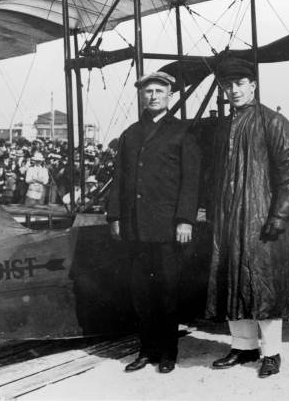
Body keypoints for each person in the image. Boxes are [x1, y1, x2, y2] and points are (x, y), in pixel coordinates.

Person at [206, 55, 289, 378]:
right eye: (228, 85)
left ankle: (272, 353)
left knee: (264, 286)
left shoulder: (273, 122)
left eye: (239, 84)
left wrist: (279, 216)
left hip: (262, 219)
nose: (233, 90)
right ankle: (243, 347)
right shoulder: (223, 127)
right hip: (229, 219)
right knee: (232, 281)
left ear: (253, 86)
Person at [107, 71, 200, 374]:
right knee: (141, 293)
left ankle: (168, 353)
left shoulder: (183, 132)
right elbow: (119, 179)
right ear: (141, 96)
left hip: (167, 229)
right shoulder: (130, 134)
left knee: (168, 292)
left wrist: (185, 220)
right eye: (148, 92)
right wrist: (115, 216)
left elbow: (191, 182)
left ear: (170, 96)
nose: (154, 96)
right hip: (135, 228)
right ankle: (146, 350)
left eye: (160, 91)